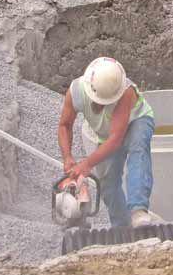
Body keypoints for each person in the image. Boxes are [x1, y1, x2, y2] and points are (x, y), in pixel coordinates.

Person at [56, 57, 156, 228]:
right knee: (108, 182)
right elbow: (65, 125)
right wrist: (67, 157)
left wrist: (87, 164)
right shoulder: (76, 92)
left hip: (136, 120)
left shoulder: (125, 91)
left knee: (137, 149)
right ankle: (122, 228)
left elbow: (116, 139)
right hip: (106, 133)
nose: (102, 105)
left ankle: (138, 211)